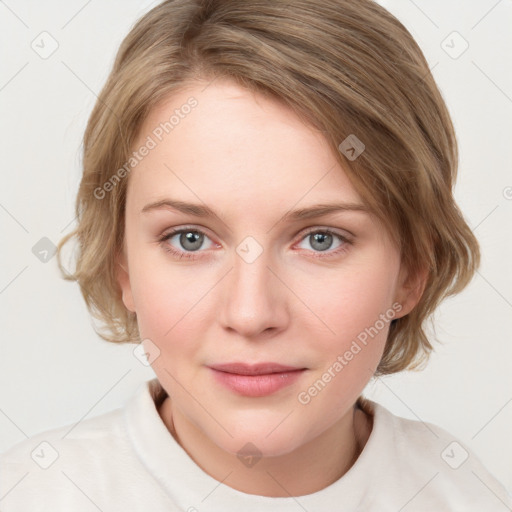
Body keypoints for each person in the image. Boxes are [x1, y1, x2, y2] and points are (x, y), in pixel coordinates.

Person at [1, 0, 510, 510]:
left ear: (412, 270)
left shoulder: (465, 494)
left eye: (321, 239)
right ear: (122, 265)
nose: (250, 314)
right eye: (190, 239)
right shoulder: (34, 495)